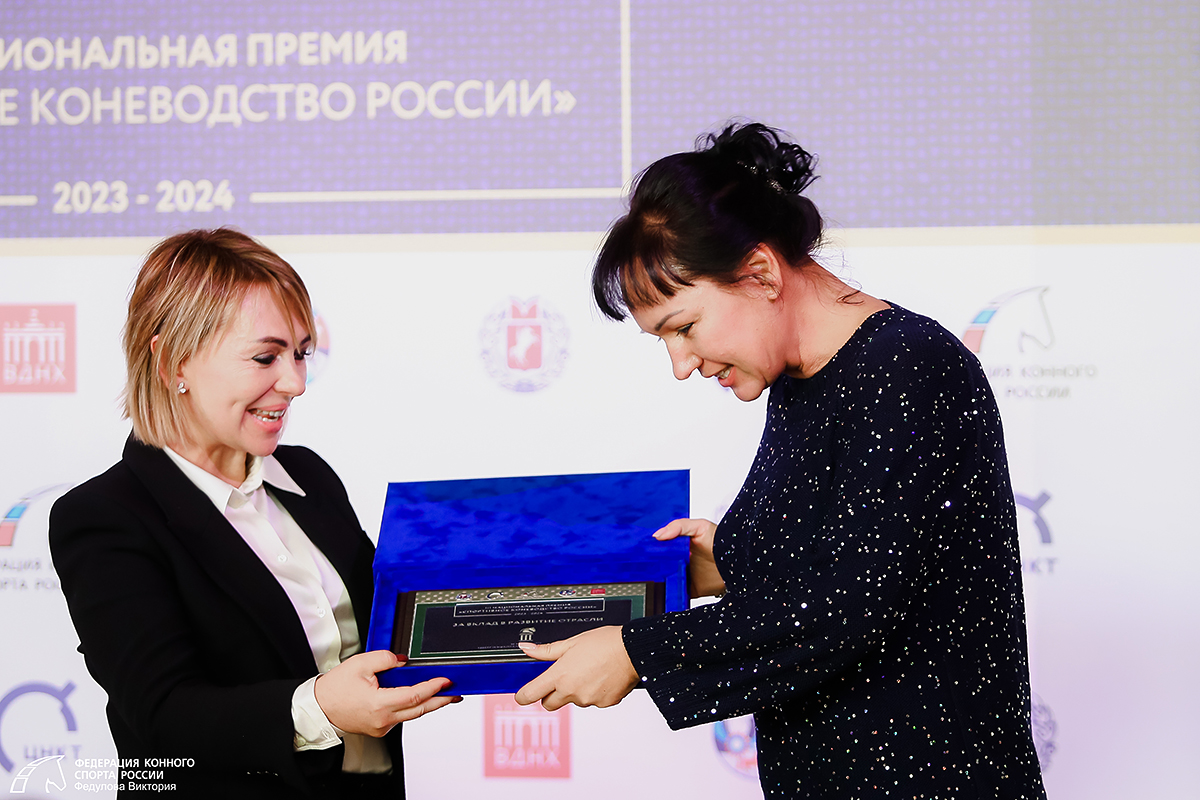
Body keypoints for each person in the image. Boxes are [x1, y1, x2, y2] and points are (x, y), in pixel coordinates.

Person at [515, 123, 1047, 798]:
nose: (681, 364)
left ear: (762, 272)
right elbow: (843, 553)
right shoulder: (801, 378)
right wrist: (726, 559)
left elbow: (848, 603)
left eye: (684, 327)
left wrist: (635, 652)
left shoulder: (908, 366)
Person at [50, 228, 457, 798]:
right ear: (171, 362)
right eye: (265, 357)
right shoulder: (104, 518)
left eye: (301, 353)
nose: (296, 383)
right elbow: (162, 715)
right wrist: (319, 707)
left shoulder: (308, 475)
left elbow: (390, 624)